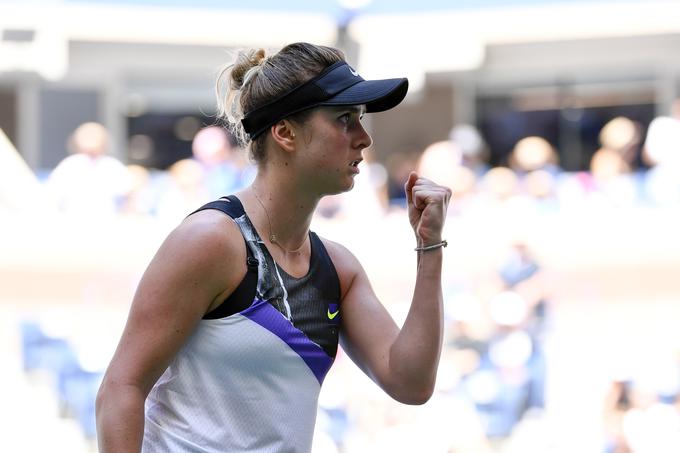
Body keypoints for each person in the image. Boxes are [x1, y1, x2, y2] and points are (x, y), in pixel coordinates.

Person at [95, 42, 452, 452]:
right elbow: (121, 388)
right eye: (344, 120)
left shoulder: (339, 269)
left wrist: (430, 248)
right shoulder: (210, 240)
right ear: (285, 132)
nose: (364, 138)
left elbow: (411, 382)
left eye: (360, 120)